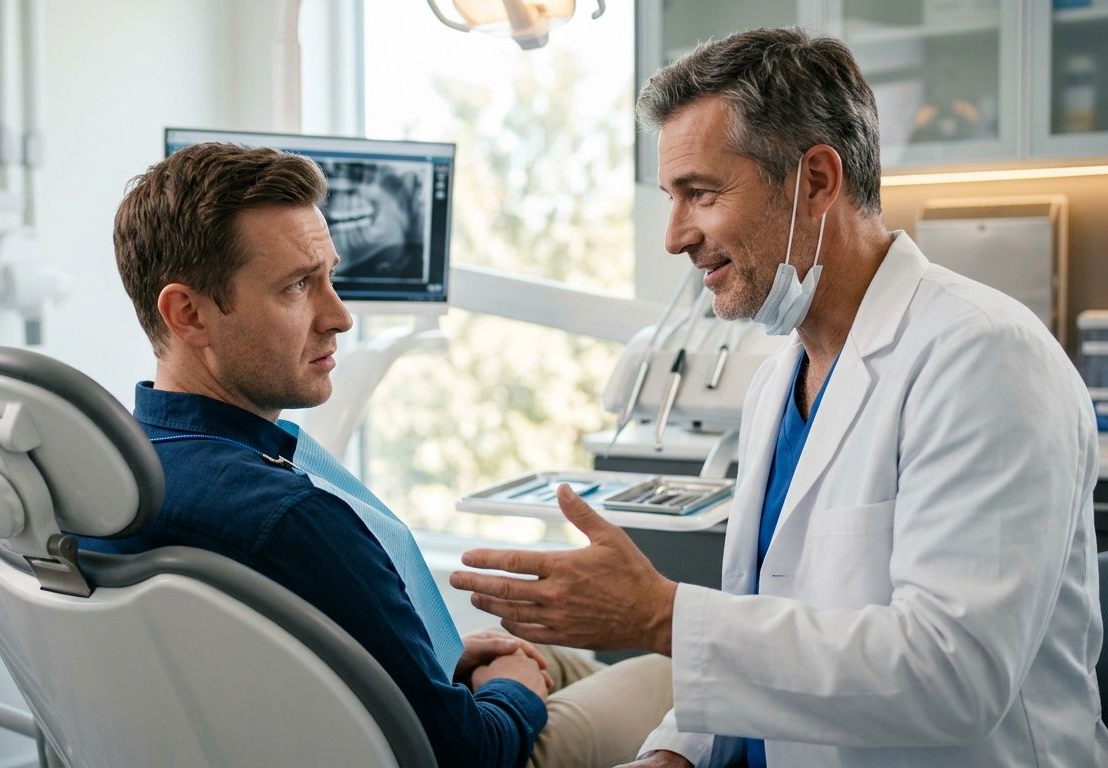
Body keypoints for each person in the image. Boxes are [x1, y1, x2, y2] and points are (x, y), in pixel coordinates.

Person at [450, 27, 1108, 768]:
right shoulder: (779, 376)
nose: (675, 236)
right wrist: (676, 752)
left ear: (819, 182)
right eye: (672, 198)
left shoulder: (984, 357)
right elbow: (764, 636)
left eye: (699, 194)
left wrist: (658, 615)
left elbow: (953, 674)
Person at [83, 141, 673, 768]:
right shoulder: (288, 516)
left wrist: (441, 664)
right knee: (672, 677)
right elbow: (469, 751)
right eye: (296, 287)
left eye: (328, 277)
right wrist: (513, 690)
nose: (338, 316)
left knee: (542, 656)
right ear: (188, 313)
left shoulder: (108, 478)